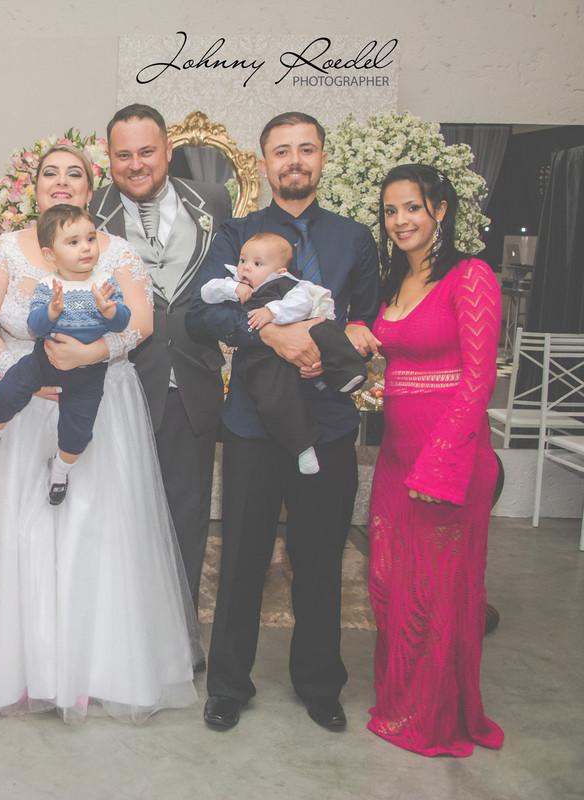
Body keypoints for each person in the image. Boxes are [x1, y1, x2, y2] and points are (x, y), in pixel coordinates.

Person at [0, 143, 202, 723]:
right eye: (50, 174)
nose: (61, 181)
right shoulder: (5, 251)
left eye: (74, 174)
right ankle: (17, 668)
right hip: (20, 403)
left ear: (91, 189)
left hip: (102, 401)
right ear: (33, 188)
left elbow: (141, 323)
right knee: (17, 531)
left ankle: (97, 669)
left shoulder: (117, 251)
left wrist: (93, 353)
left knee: (94, 524)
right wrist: (21, 373)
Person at [187, 111, 380, 731]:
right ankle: (228, 684)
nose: (294, 160)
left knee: (319, 558)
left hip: (329, 423)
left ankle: (320, 682)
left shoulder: (354, 238)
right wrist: (272, 334)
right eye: (282, 151)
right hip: (253, 424)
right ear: (264, 162)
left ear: (321, 158)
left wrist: (352, 336)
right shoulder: (236, 234)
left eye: (306, 149)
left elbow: (368, 318)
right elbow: (201, 315)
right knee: (242, 558)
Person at [367, 164, 504, 757]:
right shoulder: (395, 279)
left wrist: (440, 462)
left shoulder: (469, 276)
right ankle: (400, 703)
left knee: (438, 592)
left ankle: (435, 718)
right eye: (390, 211)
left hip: (446, 456)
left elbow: (478, 380)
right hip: (396, 453)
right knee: (390, 582)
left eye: (412, 208)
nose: (400, 220)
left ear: (440, 210)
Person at [90, 103, 232, 614]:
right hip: (118, 384)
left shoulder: (213, 199)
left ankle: (182, 636)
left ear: (169, 150)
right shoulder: (90, 211)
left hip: (192, 383)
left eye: (146, 152)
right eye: (123, 155)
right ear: (108, 158)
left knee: (187, 518)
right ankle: (123, 631)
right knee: (116, 518)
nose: (135, 164)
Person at [0, 204, 130, 504]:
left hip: (88, 374)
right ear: (50, 255)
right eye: (74, 242)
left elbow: (122, 323)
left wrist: (110, 311)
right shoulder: (47, 286)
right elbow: (35, 326)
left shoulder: (105, 282)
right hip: (42, 362)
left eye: (91, 238)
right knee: (7, 391)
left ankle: (61, 471)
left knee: (78, 431)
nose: (86, 247)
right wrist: (50, 312)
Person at [199, 232, 367, 474]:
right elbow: (206, 293)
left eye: (257, 263)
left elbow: (302, 305)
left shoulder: (290, 284)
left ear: (279, 271)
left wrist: (272, 312)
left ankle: (347, 373)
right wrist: (232, 288)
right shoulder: (235, 282)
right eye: (243, 260)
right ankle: (303, 446)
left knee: (326, 328)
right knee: (275, 400)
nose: (246, 267)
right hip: (262, 358)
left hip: (304, 337)